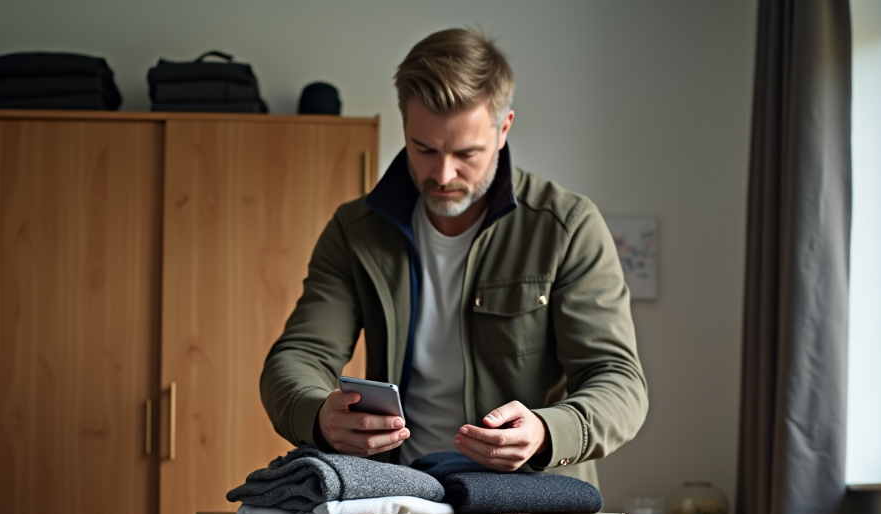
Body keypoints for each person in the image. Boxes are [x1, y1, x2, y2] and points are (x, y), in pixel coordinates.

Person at [260, 28, 647, 486]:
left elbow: (619, 380)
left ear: (503, 130)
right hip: (402, 499)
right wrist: (318, 415)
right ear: (405, 126)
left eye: (467, 153)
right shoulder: (355, 231)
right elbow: (301, 354)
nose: (443, 174)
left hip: (533, 504)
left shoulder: (568, 226)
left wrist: (547, 432)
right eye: (424, 149)